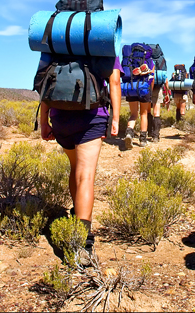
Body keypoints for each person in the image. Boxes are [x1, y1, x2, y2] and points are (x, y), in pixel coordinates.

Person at [40, 57, 122, 264]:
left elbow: (44, 81)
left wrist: (43, 121)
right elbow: (115, 82)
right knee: (85, 175)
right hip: (92, 115)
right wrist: (116, 119)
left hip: (60, 115)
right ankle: (82, 244)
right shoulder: (103, 41)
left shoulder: (56, 41)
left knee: (75, 167)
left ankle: (78, 211)